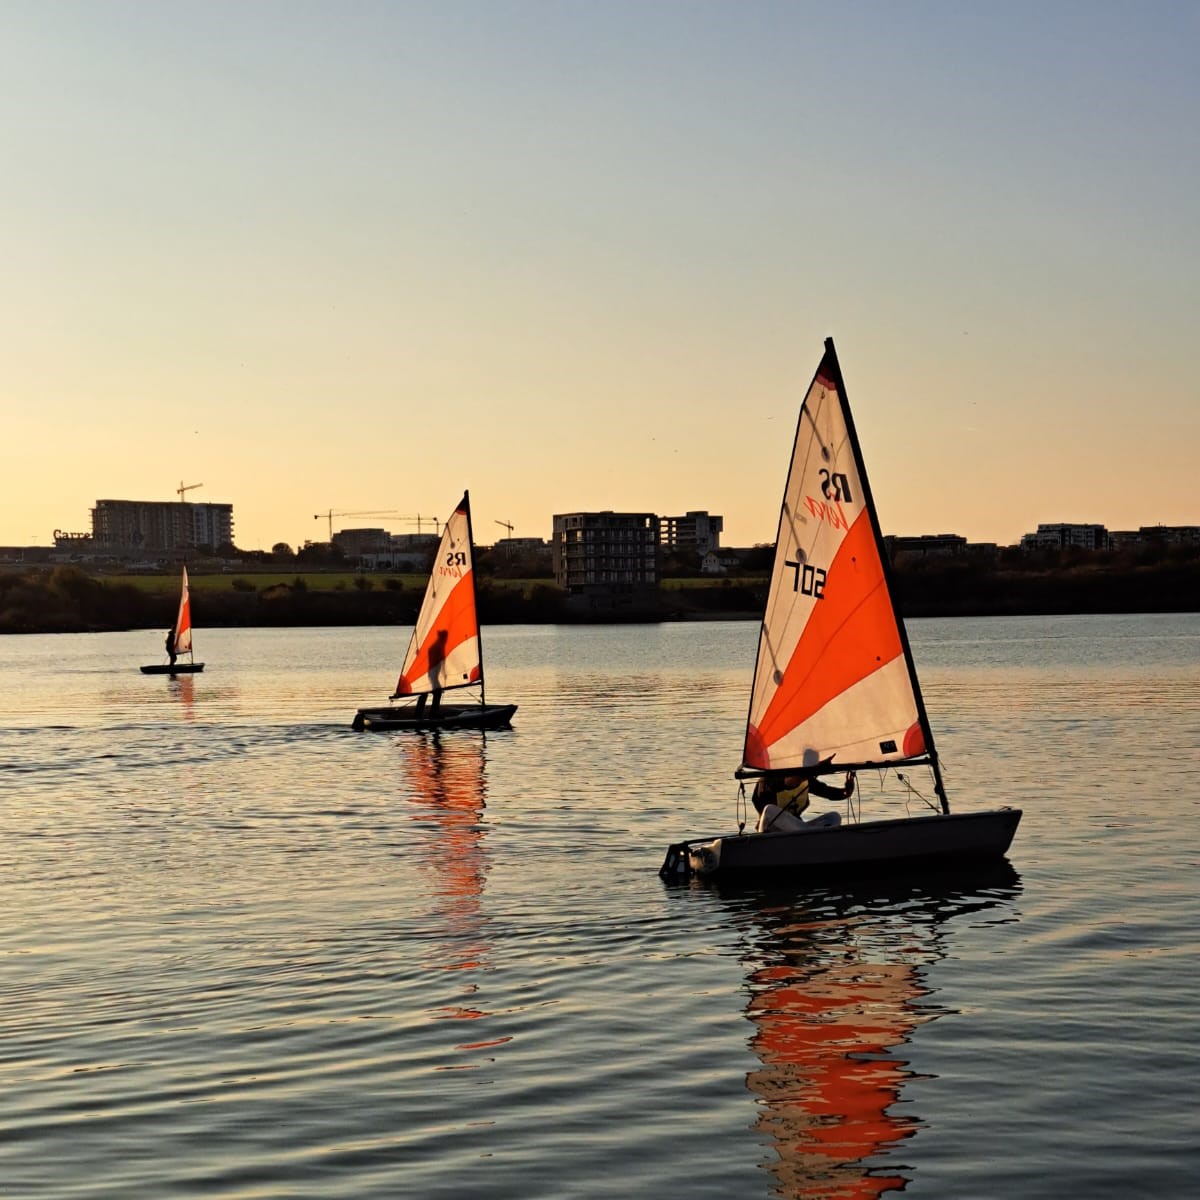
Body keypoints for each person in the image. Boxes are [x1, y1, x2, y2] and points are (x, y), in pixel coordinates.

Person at [752, 768, 855, 834]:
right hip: (771, 832)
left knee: (834, 817)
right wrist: (815, 769)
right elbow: (789, 783)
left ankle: (813, 835)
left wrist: (846, 792)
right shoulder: (769, 777)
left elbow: (826, 791)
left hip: (799, 830)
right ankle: (814, 833)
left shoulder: (805, 779)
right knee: (769, 809)